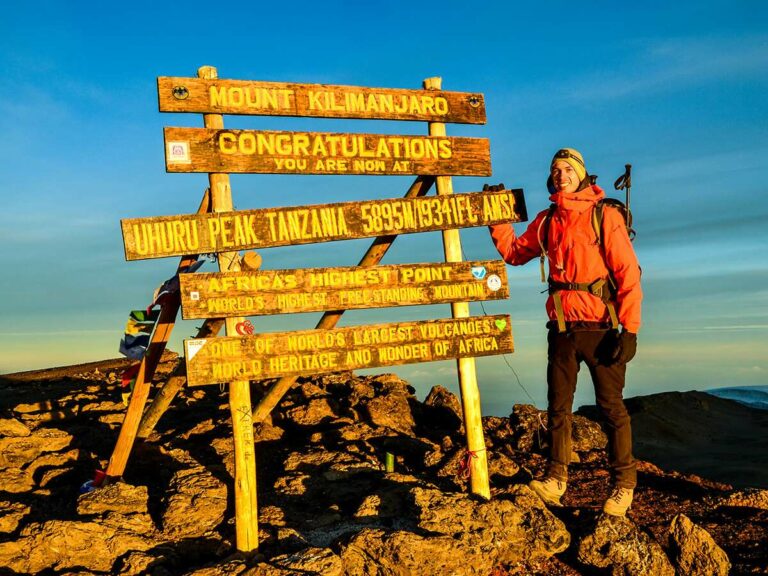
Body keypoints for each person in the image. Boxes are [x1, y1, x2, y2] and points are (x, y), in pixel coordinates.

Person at [487, 148, 642, 516]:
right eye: (555, 169)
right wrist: (496, 215)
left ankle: (623, 484)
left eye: (568, 169)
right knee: (559, 407)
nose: (560, 174)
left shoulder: (604, 216)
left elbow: (628, 274)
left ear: (582, 175)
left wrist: (630, 330)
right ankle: (555, 478)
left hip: (602, 327)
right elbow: (514, 252)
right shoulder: (547, 220)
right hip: (560, 328)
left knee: (611, 408)